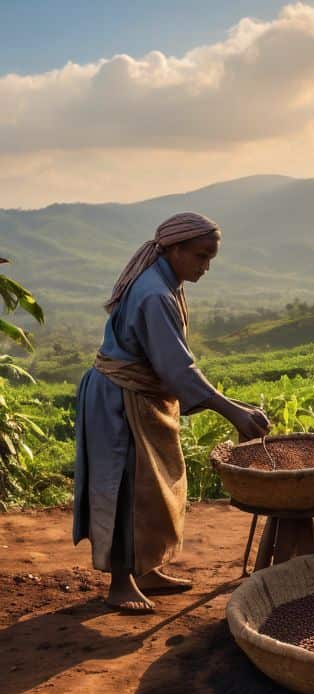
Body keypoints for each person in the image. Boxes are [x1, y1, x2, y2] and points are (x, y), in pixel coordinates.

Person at [73, 212, 269, 613]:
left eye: (210, 258)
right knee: (128, 487)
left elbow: (175, 365)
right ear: (174, 250)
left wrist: (237, 406)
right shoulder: (155, 294)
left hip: (141, 397)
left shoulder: (167, 282)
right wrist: (232, 413)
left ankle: (146, 569)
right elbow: (178, 368)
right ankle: (121, 583)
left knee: (153, 489)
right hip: (120, 400)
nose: (205, 267)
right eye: (200, 257)